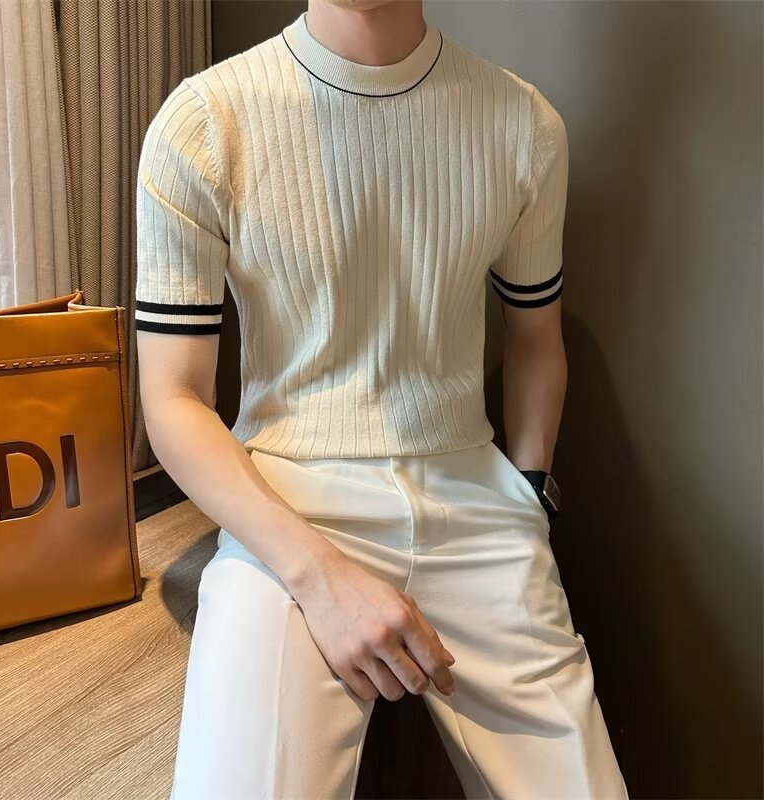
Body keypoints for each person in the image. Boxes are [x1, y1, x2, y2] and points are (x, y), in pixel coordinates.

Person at [134, 1, 629, 798]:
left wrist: (529, 495)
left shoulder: (523, 124)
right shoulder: (204, 123)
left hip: (477, 501)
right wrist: (317, 576)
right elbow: (173, 399)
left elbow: (536, 337)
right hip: (286, 504)